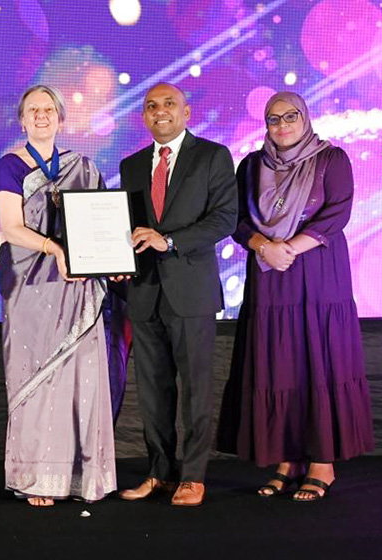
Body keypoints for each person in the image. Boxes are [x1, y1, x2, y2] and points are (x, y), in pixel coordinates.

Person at [217, 91, 374, 501]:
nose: (282, 124)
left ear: (305, 118)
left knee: (318, 358)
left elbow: (338, 212)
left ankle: (322, 463)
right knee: (280, 362)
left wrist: (288, 248)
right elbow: (236, 219)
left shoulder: (331, 159)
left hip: (319, 272)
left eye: (291, 116)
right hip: (270, 275)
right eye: (274, 118)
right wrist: (263, 246)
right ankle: (288, 460)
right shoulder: (251, 166)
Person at [0, 85, 117, 507]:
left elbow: (102, 224)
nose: (41, 115)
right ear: (22, 120)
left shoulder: (84, 167)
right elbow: (11, 228)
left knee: (82, 377)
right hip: (31, 286)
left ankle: (83, 478)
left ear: (61, 119)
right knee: (36, 377)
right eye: (33, 110)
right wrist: (57, 250)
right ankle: (36, 479)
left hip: (78, 287)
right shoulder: (10, 166)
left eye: (49, 109)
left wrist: (111, 261)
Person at [117, 83, 238, 507]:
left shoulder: (212, 157)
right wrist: (116, 257)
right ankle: (160, 472)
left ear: (186, 112)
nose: (160, 111)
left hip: (191, 291)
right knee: (153, 391)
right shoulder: (132, 165)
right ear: (144, 117)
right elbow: (126, 226)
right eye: (151, 106)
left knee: (195, 389)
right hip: (144, 291)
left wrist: (168, 241)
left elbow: (225, 218)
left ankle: (193, 476)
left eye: (169, 104)